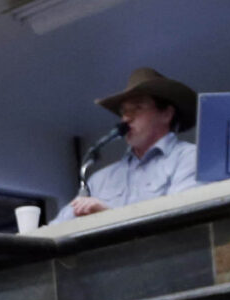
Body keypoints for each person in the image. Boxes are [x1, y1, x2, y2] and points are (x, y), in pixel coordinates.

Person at [70, 68, 200, 216]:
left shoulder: (190, 158)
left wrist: (110, 217)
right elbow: (58, 229)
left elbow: (184, 220)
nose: (126, 118)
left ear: (166, 114)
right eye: (123, 111)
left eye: (137, 108)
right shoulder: (99, 180)